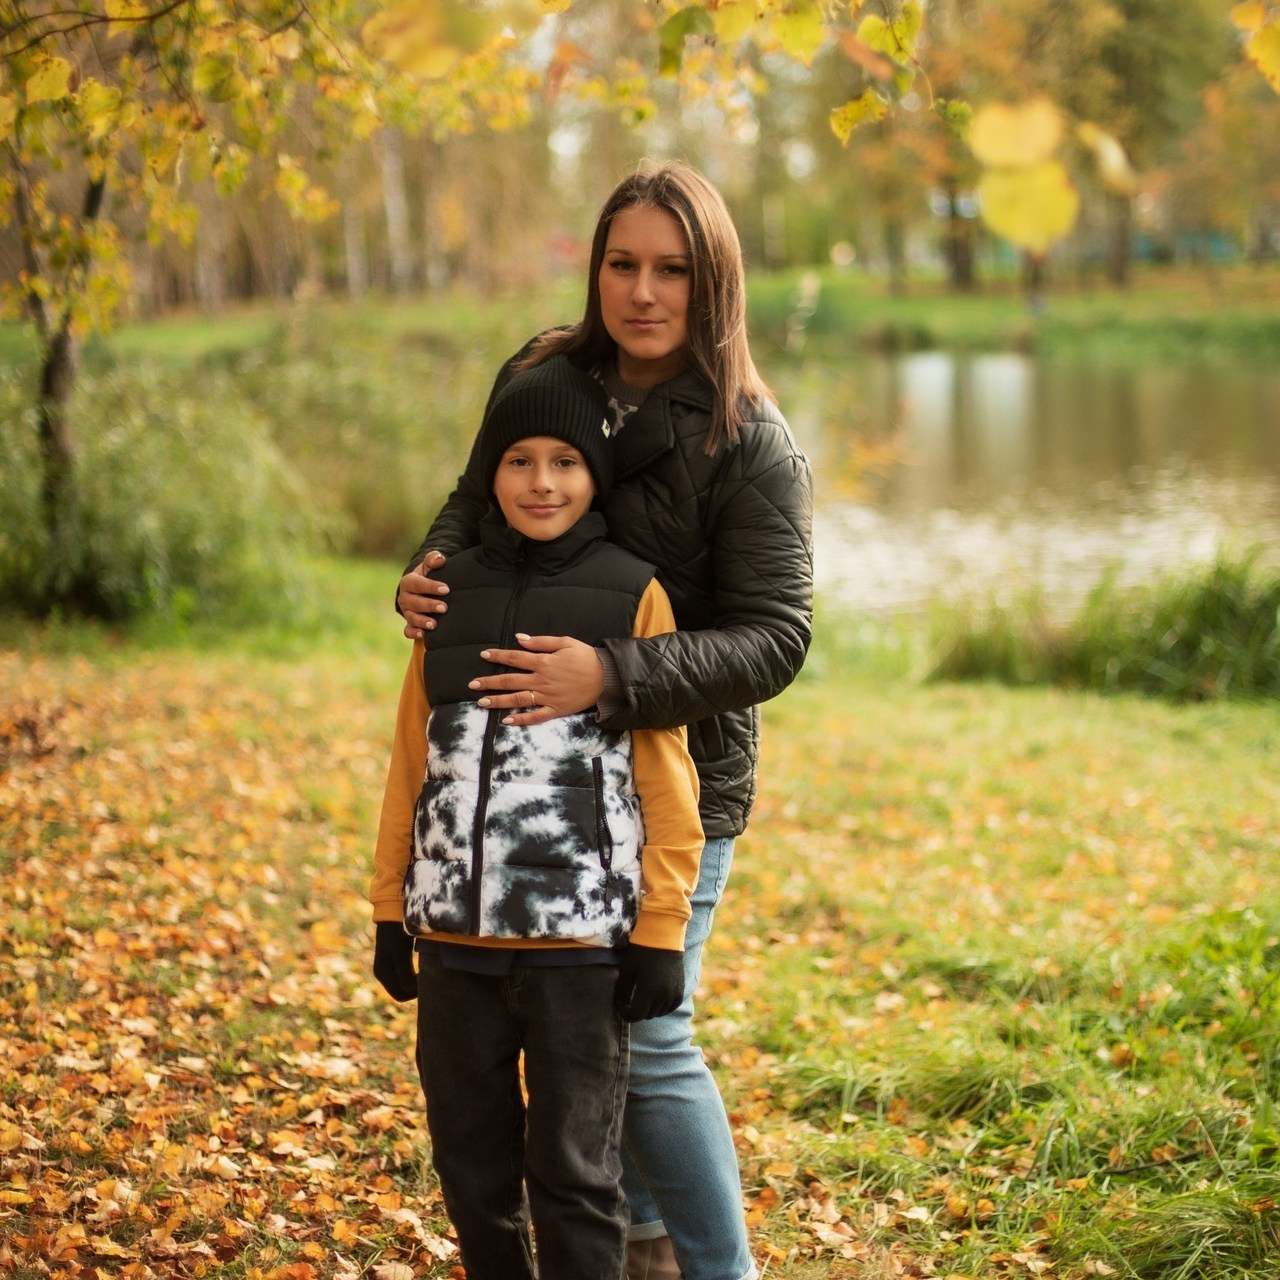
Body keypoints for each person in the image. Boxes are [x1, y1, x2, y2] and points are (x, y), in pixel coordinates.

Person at [396, 161, 814, 1280]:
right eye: (621, 263)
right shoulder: (543, 370)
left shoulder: (747, 440)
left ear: (710, 280)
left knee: (641, 1032)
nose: (641, 291)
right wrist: (428, 569)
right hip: (518, 785)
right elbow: (474, 494)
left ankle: (717, 1269)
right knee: (590, 1056)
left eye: (670, 269)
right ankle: (636, 1259)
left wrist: (613, 671)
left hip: (671, 776)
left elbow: (776, 637)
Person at [370, 354, 705, 1280]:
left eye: (565, 459)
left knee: (573, 1174)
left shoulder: (631, 592)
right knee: (472, 1172)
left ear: (594, 476)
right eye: (520, 460)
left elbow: (665, 775)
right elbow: (411, 763)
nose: (542, 481)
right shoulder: (443, 595)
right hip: (456, 951)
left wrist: (660, 931)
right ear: (490, 472)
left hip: (580, 953)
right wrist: (389, 911)